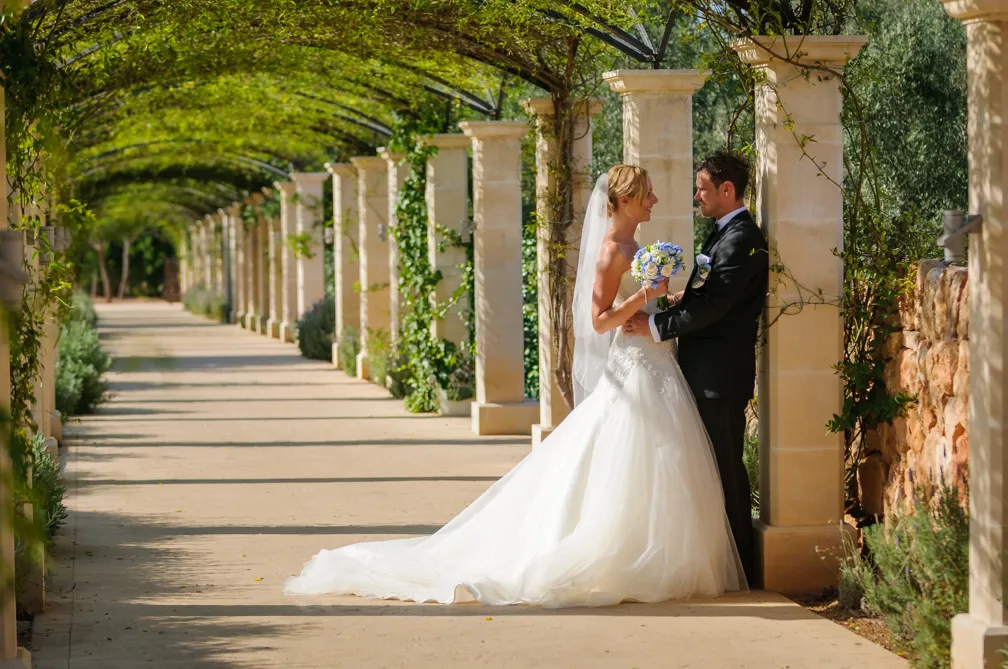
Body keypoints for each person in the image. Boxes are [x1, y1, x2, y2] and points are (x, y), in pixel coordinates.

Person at [284, 164, 746, 607]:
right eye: (646, 193)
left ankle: (656, 555)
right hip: (633, 367)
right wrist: (644, 299)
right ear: (624, 199)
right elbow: (599, 322)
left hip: (656, 363)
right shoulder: (610, 250)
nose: (655, 200)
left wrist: (666, 296)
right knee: (631, 455)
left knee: (663, 459)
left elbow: (632, 310)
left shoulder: (638, 244)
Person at [623, 149, 768, 584]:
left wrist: (654, 325)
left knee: (725, 468)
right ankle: (726, 559)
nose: (696, 195)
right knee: (710, 469)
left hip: (719, 377)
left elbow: (718, 306)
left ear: (728, 189)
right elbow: (707, 297)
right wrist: (677, 301)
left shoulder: (741, 238)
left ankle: (741, 564)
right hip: (707, 372)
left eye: (702, 188)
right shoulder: (724, 234)